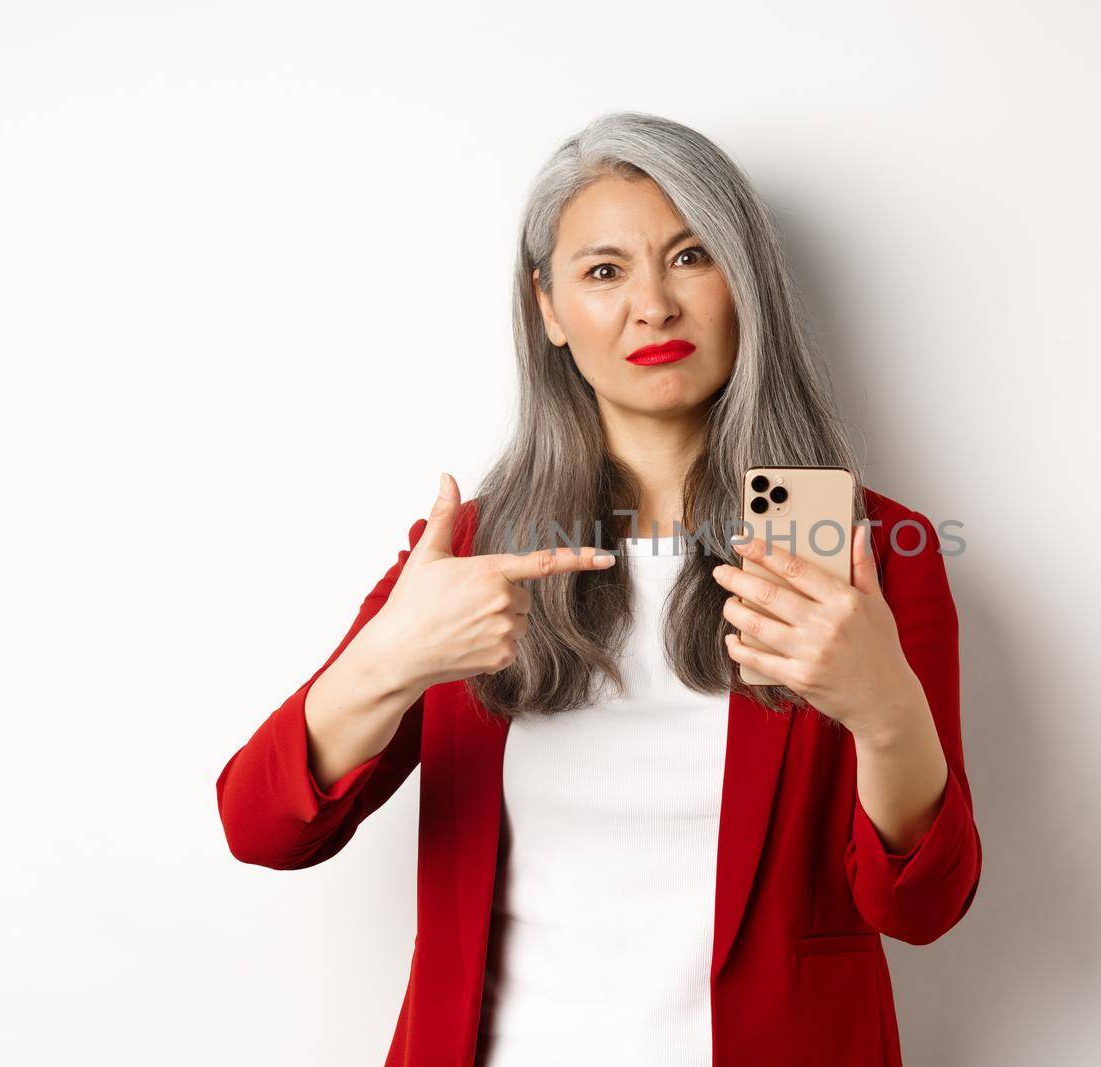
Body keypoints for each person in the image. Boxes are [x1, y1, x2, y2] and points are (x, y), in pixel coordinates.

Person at [215, 110, 981, 1067]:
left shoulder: (856, 548)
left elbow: (920, 906)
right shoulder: (472, 555)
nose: (653, 305)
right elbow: (263, 827)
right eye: (605, 270)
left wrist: (886, 712)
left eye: (692, 256)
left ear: (747, 284)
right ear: (548, 307)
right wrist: (391, 660)